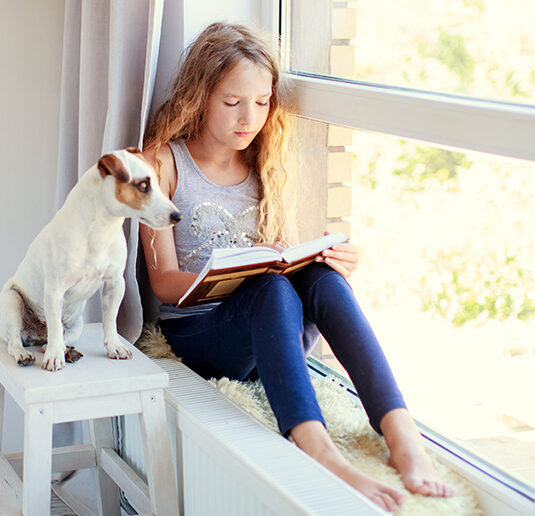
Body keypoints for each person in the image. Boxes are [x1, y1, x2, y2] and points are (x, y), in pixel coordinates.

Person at [139, 22, 453, 511]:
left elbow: (283, 261)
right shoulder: (162, 164)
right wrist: (243, 277)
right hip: (202, 334)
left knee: (320, 278)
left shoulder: (264, 163)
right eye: (232, 102)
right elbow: (163, 285)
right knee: (269, 289)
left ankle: (400, 432)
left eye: (262, 102)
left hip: (267, 324)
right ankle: (318, 448)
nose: (250, 118)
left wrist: (328, 257)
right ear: (200, 95)